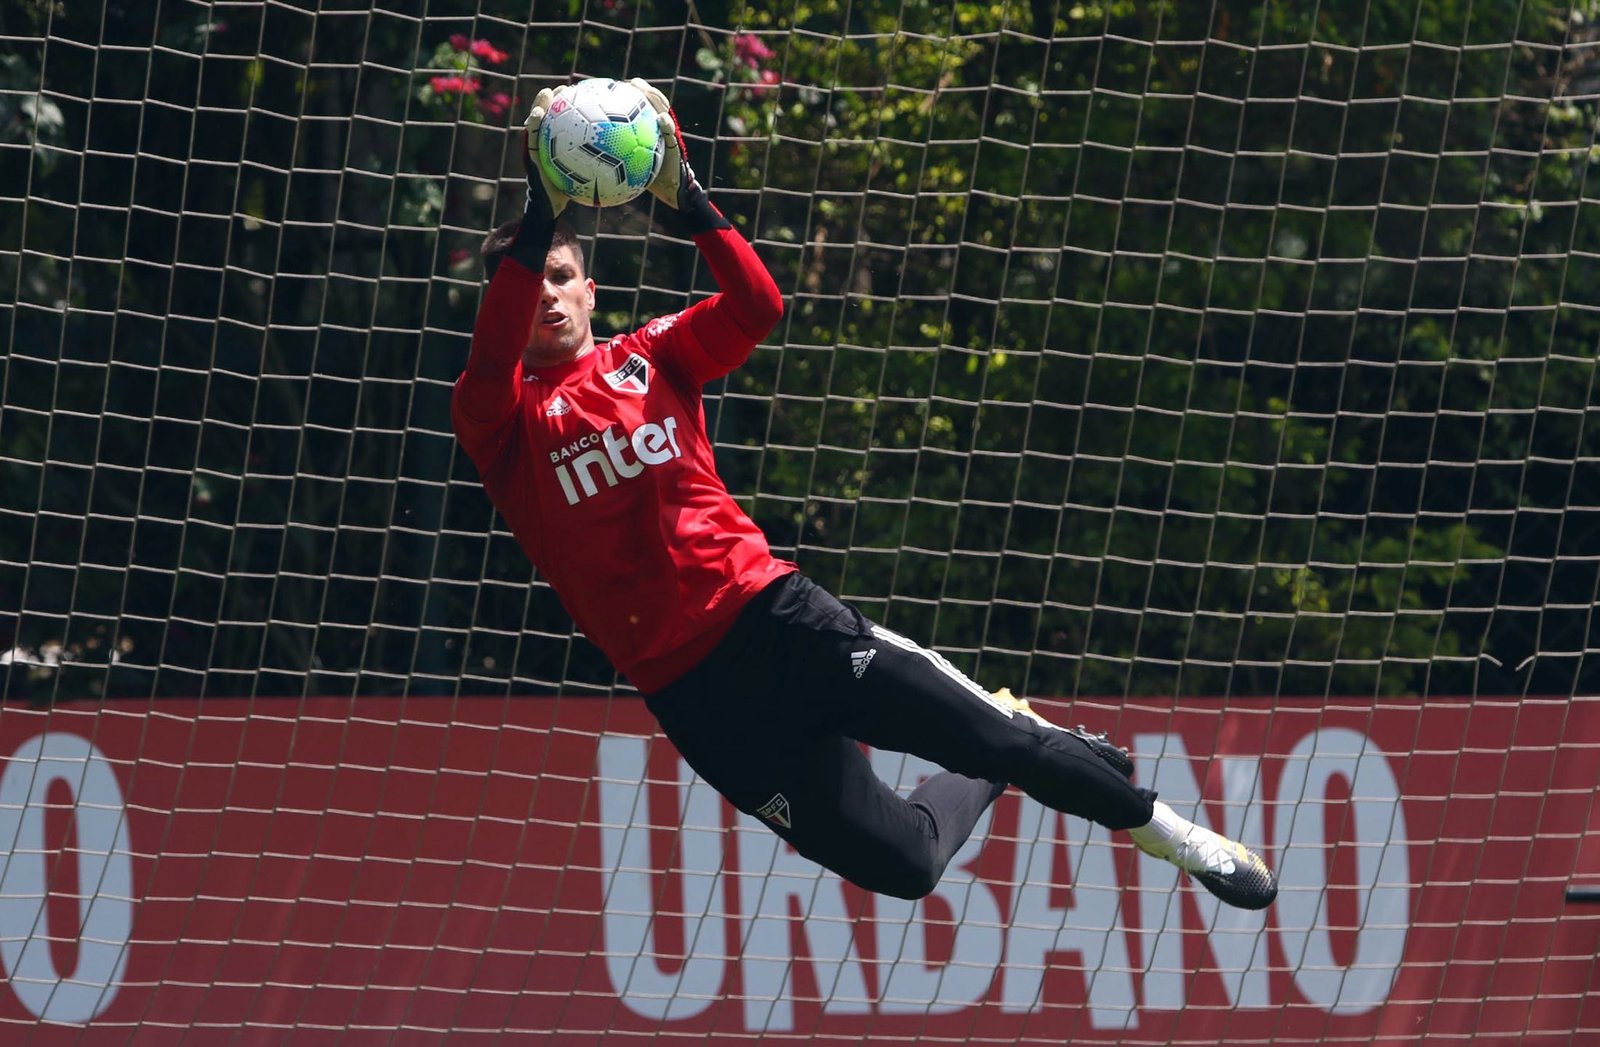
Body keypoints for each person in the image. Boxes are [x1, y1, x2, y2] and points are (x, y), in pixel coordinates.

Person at [452, 80, 1277, 910]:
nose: (550, 294)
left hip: (778, 621)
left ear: (591, 289)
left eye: (565, 274)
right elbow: (490, 361)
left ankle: (1181, 837)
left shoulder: (653, 353)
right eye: (535, 283)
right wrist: (538, 204)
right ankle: (1009, 728)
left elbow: (758, 306)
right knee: (906, 864)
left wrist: (692, 199)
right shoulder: (502, 421)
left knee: (1006, 743)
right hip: (698, 701)